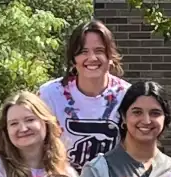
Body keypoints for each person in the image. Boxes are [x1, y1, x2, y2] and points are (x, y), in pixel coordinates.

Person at [39, 20, 131, 169]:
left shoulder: (127, 95)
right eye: (83, 52)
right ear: (73, 59)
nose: (92, 58)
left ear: (110, 56)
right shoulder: (49, 94)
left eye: (99, 51)